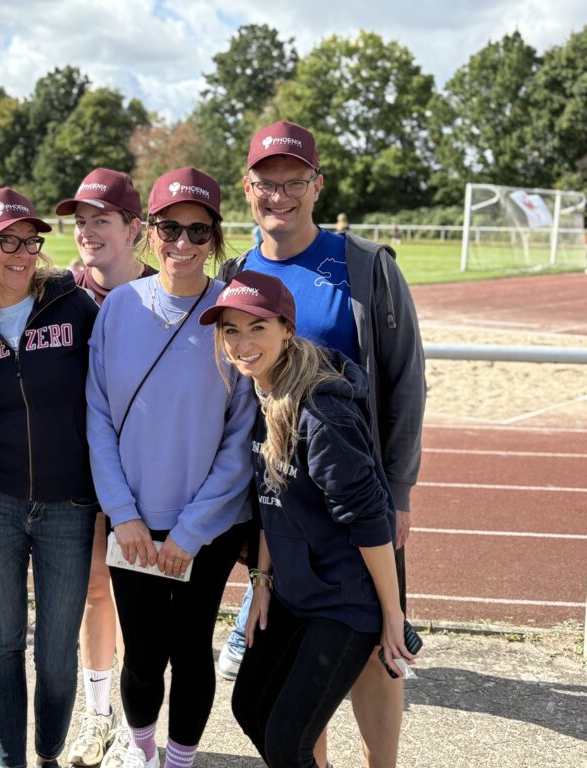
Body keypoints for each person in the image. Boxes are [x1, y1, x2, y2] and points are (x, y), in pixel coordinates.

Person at [218, 120, 425, 768]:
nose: (279, 196)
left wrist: (398, 490)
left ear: (317, 185)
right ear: (247, 188)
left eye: (293, 182)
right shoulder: (236, 271)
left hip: (354, 490)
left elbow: (405, 380)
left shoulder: (363, 266)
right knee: (299, 659)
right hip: (285, 502)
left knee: (375, 650)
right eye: (266, 184)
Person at [200, 270, 415, 768]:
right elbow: (271, 499)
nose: (243, 344)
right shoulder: (262, 393)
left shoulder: (322, 414)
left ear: (287, 330)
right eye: (231, 330)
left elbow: (369, 518)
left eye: (257, 328)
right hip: (294, 594)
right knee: (249, 706)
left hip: (344, 603)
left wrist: (392, 614)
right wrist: (261, 583)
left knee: (287, 741)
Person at [86, 168, 256, 768]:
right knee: (142, 653)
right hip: (134, 521)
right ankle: (140, 752)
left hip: (206, 528)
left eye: (198, 231)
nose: (183, 243)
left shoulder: (232, 313)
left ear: (215, 238)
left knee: (190, 649)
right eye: (169, 228)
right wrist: (123, 514)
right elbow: (97, 417)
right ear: (148, 232)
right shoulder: (118, 308)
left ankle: (180, 760)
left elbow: (241, 436)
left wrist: (190, 531)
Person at [0, 187, 100, 768]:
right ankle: (9, 760)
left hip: (70, 503)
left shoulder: (73, 305)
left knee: (57, 653)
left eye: (29, 241)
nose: (21, 254)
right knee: (2, 642)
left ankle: (47, 752)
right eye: (6, 242)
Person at [53, 167, 155, 768]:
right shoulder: (60, 293)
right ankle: (98, 718)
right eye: (81, 222)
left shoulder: (164, 293)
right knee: (95, 589)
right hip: (80, 471)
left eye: (102, 220)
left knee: (146, 601)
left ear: (133, 228)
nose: (88, 231)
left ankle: (142, 730)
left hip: (150, 475)